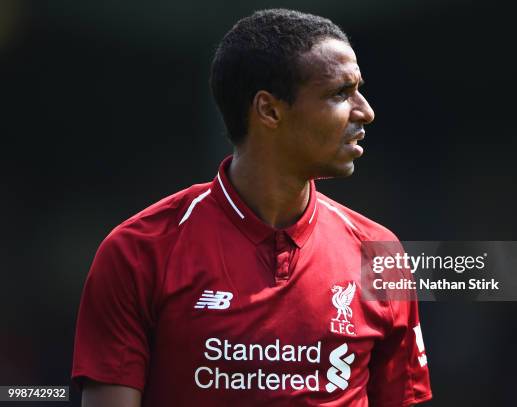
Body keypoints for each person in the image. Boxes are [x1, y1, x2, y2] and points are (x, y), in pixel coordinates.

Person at [72, 8, 432, 406]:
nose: (365, 111)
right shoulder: (138, 253)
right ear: (269, 110)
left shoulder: (379, 255)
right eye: (339, 94)